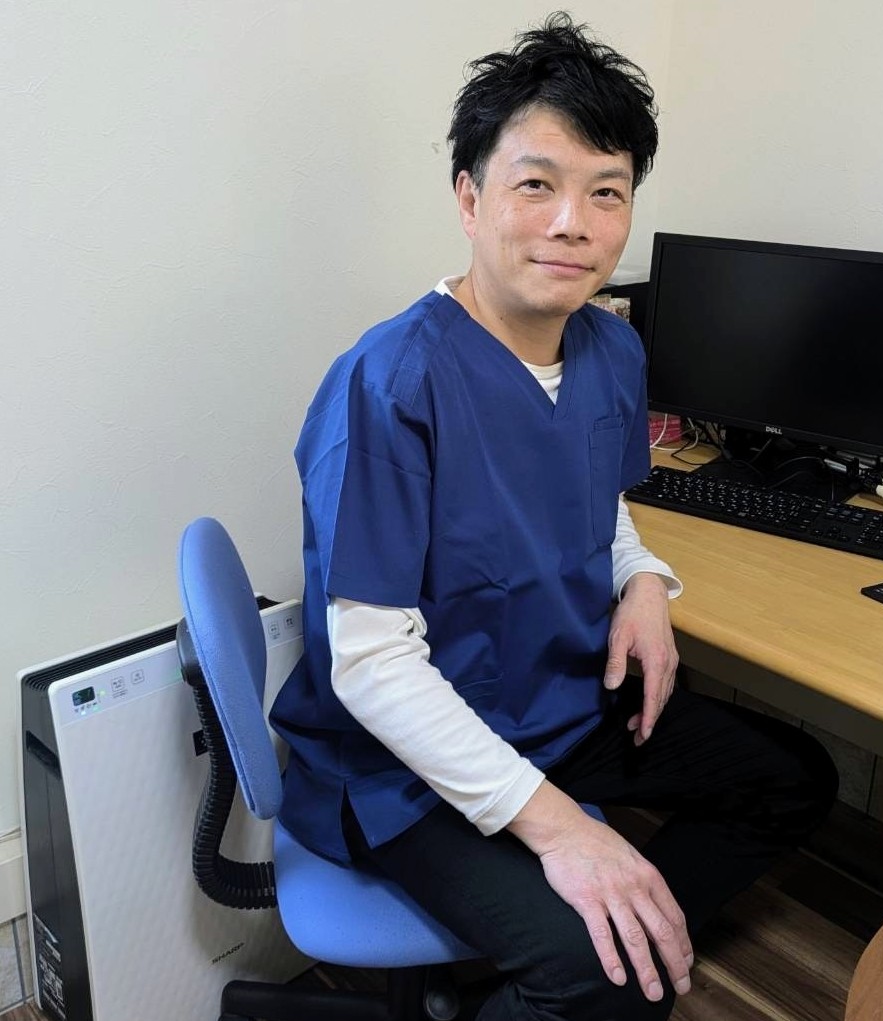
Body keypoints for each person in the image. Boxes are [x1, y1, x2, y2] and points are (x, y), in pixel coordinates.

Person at [271, 13, 838, 1020]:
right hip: (404, 763)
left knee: (791, 777)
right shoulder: (391, 384)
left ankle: (631, 933)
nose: (573, 222)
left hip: (556, 703)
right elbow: (371, 662)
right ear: (469, 197)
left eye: (606, 192)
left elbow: (599, 506)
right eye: (536, 184)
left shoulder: (610, 349)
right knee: (594, 974)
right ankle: (599, 964)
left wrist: (644, 581)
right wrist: (561, 828)